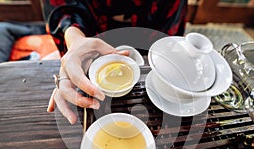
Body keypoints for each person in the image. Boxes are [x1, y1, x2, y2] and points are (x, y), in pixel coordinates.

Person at [44, 0, 188, 124]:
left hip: (149, 46)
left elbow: (166, 42)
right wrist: (74, 45)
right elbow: (63, 9)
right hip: (88, 40)